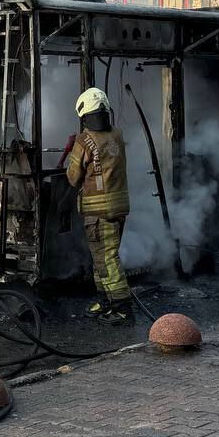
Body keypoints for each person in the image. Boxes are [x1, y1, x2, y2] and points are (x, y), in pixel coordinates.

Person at [65, 88, 132, 325]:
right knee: (102, 258)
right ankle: (104, 300)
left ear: (84, 114)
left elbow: (73, 178)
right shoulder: (117, 135)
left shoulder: (84, 141)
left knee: (108, 259)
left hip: (98, 214)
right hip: (119, 208)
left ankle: (122, 308)